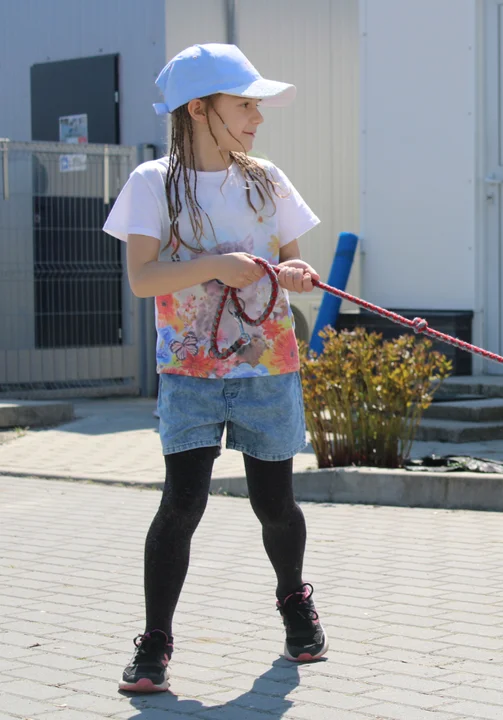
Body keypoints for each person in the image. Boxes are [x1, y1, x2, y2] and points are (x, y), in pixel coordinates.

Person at [103, 43, 328, 693]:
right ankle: (155, 643)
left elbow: (294, 266)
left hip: (268, 370)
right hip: (190, 376)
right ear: (198, 109)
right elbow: (144, 280)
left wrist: (292, 273)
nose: (257, 117)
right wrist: (216, 265)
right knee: (181, 504)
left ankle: (294, 603)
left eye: (258, 105)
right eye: (245, 104)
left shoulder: (267, 180)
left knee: (275, 504)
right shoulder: (152, 184)